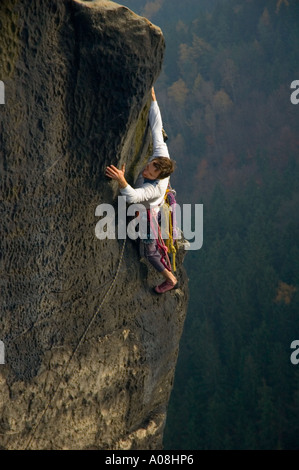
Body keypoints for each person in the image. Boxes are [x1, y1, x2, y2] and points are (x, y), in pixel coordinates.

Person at [105, 87, 178, 294]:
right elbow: (156, 127)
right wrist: (153, 101)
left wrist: (121, 179)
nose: (147, 169)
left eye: (151, 171)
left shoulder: (152, 189)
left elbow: (133, 196)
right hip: (148, 203)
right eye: (150, 165)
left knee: (150, 251)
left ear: (158, 177)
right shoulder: (161, 155)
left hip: (148, 212)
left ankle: (170, 279)